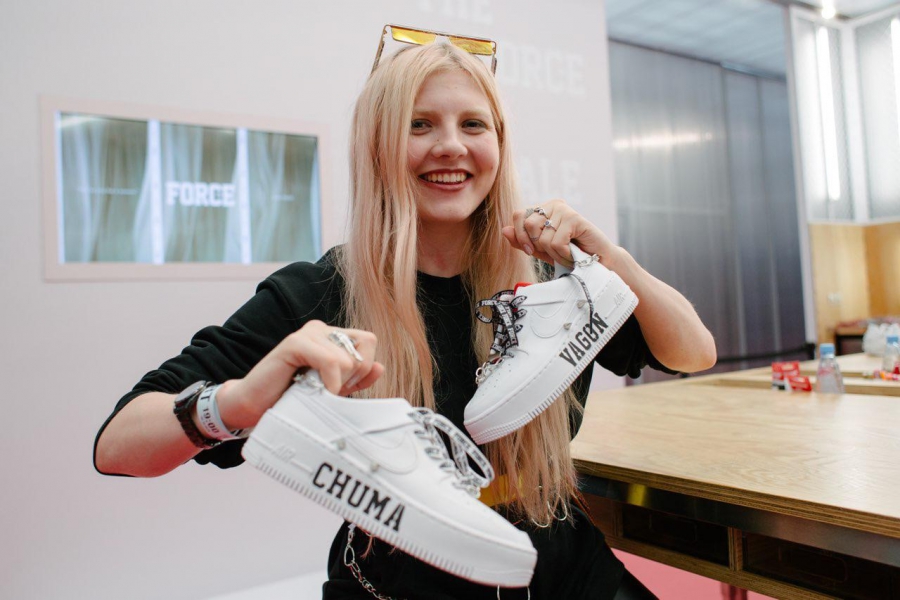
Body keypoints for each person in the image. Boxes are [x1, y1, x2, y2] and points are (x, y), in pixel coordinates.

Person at [94, 33, 716, 600]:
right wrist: (239, 401)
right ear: (378, 147)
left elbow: (691, 353)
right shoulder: (319, 293)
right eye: (419, 125)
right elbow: (118, 445)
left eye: (473, 124)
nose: (451, 146)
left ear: (499, 145)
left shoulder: (552, 283)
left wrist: (609, 259)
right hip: (395, 584)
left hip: (563, 569)